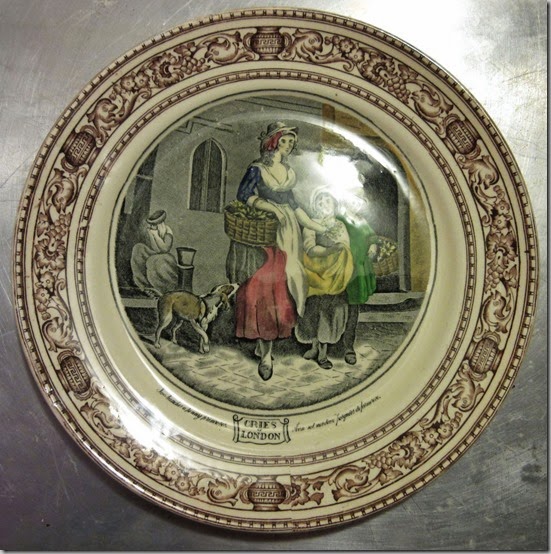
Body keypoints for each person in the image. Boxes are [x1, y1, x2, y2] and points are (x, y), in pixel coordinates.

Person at [226, 122, 326, 381]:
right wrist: (271, 209)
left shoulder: (288, 171)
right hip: (266, 228)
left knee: (289, 283)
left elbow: (292, 204)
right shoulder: (257, 169)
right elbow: (244, 195)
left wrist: (315, 225)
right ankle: (266, 353)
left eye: (291, 142)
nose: (288, 145)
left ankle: (273, 344)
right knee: (263, 289)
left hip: (289, 231)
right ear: (273, 142)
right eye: (284, 141)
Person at [296, 189, 354, 369]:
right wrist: (328, 251)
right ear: (314, 206)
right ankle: (314, 347)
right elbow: (309, 248)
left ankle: (323, 353)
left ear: (334, 204)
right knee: (313, 311)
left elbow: (344, 247)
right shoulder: (311, 224)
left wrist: (337, 253)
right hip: (315, 275)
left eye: (327, 201)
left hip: (334, 276)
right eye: (319, 202)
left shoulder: (339, 225)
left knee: (330, 313)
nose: (323, 205)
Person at [338, 194, 378, 364]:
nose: (355, 204)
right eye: (352, 200)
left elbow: (371, 236)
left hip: (359, 269)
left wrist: (373, 246)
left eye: (358, 202)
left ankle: (348, 346)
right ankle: (329, 344)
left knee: (353, 310)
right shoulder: (340, 218)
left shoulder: (361, 220)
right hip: (343, 268)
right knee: (339, 307)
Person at [130, 210, 179, 297]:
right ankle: (145, 286)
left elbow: (164, 249)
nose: (151, 227)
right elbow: (155, 248)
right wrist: (152, 235)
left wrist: (155, 235)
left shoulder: (167, 231)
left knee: (153, 260)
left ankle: (159, 289)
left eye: (154, 225)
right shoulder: (153, 231)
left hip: (166, 258)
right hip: (157, 254)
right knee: (138, 248)